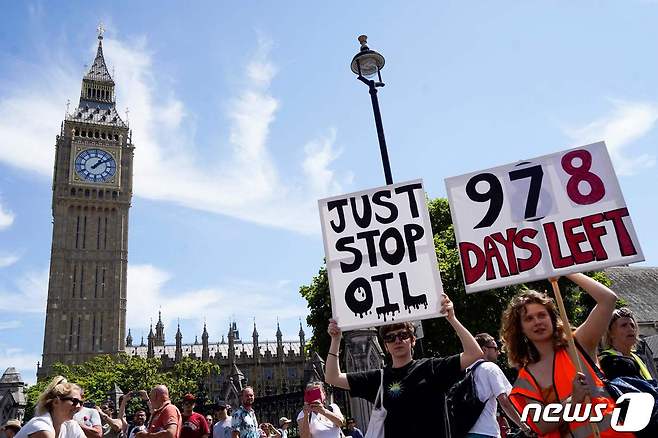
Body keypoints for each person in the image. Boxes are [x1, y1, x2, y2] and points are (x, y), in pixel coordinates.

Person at [325, 293, 483, 437]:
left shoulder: (432, 367)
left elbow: (474, 353)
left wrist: (452, 319)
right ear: (385, 346)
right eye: (390, 337)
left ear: (413, 340)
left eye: (403, 335)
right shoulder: (379, 378)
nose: (397, 340)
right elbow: (332, 377)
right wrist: (336, 340)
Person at [501, 273, 623, 438]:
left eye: (542, 315)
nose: (537, 322)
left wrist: (564, 270)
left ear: (552, 318)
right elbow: (541, 425)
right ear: (520, 329)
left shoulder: (578, 344)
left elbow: (608, 299)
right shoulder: (525, 378)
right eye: (529, 319)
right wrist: (573, 400)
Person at [467, 333, 532, 438]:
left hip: (465, 431)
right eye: (495, 348)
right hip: (486, 432)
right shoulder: (490, 368)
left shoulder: (465, 369)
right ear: (484, 349)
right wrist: (524, 427)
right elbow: (505, 402)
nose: (499, 352)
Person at [14, 375, 86, 438]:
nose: (78, 406)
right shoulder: (41, 426)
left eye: (81, 402)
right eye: (75, 401)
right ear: (56, 402)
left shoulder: (71, 426)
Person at [599, 307, 654, 381]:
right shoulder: (606, 361)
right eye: (624, 325)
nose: (630, 329)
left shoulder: (639, 358)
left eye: (632, 325)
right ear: (610, 333)